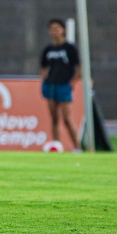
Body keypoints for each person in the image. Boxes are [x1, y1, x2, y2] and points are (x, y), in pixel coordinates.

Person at [40, 18, 80, 149]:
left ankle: (77, 147)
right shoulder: (48, 49)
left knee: (67, 118)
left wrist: (73, 81)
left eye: (57, 29)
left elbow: (78, 66)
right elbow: (44, 67)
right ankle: (57, 145)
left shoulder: (69, 48)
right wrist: (44, 80)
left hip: (64, 85)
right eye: (52, 29)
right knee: (54, 118)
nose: (55, 32)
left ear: (63, 30)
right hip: (51, 84)